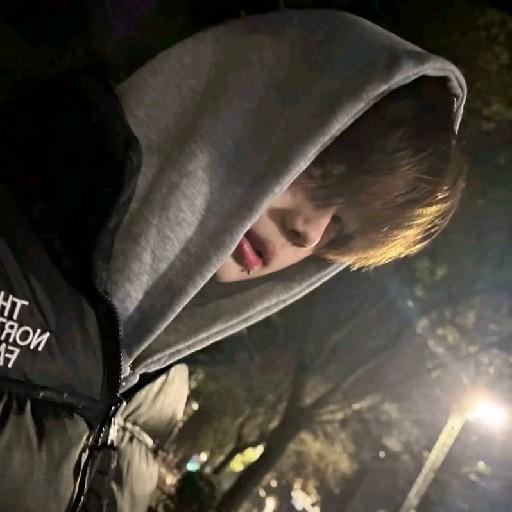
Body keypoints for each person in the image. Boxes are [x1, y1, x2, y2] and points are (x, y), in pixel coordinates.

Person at [0, 8, 466, 512]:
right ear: (243, 104)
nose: (309, 232)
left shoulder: (163, 387)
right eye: (323, 169)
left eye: (341, 227)